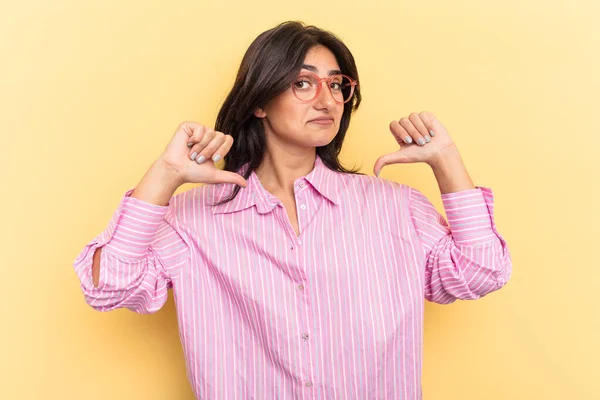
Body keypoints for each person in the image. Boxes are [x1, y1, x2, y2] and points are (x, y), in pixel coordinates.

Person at [73, 21, 512, 399]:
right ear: (259, 100)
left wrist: (447, 160)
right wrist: (166, 173)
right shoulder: (193, 220)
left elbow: (481, 272)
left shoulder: (395, 208)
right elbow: (109, 285)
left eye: (337, 84)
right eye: (303, 83)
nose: (327, 100)